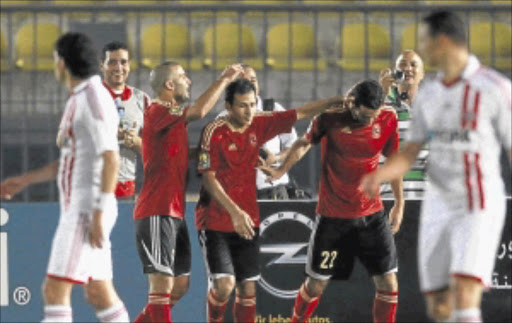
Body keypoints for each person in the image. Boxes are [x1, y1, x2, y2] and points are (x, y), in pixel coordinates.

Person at [361, 10, 511, 323]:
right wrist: (381, 174)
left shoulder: (495, 89)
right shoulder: (431, 94)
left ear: (441, 41)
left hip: (477, 202)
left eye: (424, 42)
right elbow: (410, 151)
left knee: (465, 290)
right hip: (436, 205)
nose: (423, 49)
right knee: (440, 305)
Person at [0, 32, 129, 322]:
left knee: (54, 290)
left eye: (55, 59)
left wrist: (97, 212)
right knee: (99, 293)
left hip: (86, 211)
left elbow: (111, 157)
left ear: (63, 63)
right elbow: (74, 159)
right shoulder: (83, 97)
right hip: (88, 208)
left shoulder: (92, 99)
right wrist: (25, 180)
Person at [195, 78, 344, 323]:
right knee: (224, 286)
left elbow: (302, 112)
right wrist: (234, 212)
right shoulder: (213, 131)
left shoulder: (260, 123)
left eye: (253, 104)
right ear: (228, 106)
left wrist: (336, 101)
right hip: (215, 220)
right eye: (243, 106)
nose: (249, 111)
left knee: (248, 290)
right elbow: (209, 180)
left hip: (248, 220)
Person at [261, 79, 404, 323]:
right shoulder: (330, 118)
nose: (371, 121)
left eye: (375, 115)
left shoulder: (388, 118)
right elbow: (304, 143)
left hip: (372, 215)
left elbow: (394, 161)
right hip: (333, 218)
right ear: (353, 105)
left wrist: (399, 203)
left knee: (388, 282)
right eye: (366, 115)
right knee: (316, 285)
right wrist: (280, 170)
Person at [132, 62, 244, 323]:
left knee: (180, 286)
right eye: (183, 76)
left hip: (174, 212)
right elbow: (200, 110)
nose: (189, 81)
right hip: (156, 210)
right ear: (169, 85)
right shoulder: (159, 109)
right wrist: (225, 78)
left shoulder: (170, 122)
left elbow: (181, 154)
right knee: (161, 287)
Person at [216, 64, 298, 200]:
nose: (249, 85)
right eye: (243, 81)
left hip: (274, 191)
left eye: (253, 80)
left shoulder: (274, 110)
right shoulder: (222, 119)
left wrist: (276, 158)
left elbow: (294, 145)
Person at [100, 41, 151, 200]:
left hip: (126, 190)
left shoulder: (141, 99)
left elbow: (153, 150)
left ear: (129, 65)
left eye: (123, 62)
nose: (118, 67)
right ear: (102, 65)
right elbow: (65, 141)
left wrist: (136, 142)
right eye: (112, 62)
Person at [379, 50, 426, 198]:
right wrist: (381, 93)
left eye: (413, 64)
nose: (408, 68)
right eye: (402, 64)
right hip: (388, 197)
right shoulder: (380, 104)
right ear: (394, 72)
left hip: (426, 197)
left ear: (422, 73)